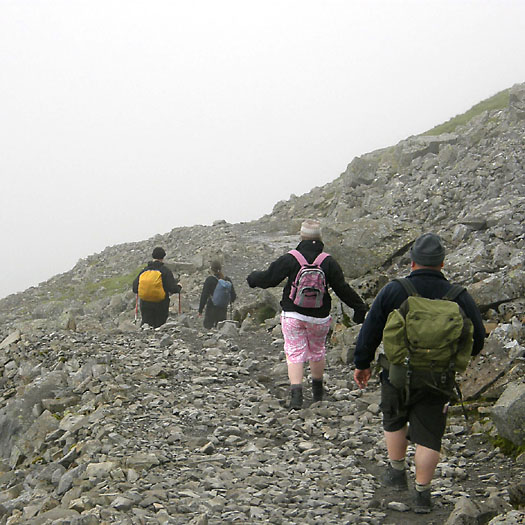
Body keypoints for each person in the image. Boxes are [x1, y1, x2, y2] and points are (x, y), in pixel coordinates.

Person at [353, 232, 485, 513]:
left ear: (412, 261)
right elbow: (478, 339)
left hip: (396, 372)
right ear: (442, 263)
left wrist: (362, 363)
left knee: (395, 419)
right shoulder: (458, 296)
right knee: (429, 434)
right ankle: (423, 495)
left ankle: (397, 472)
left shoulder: (395, 290)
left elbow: (371, 330)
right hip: (439, 377)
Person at [247, 219, 368, 410]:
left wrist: (253, 279)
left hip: (293, 314)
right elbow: (342, 289)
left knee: (295, 352)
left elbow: (269, 278)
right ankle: (318, 393)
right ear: (319, 237)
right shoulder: (328, 261)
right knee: (317, 351)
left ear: (302, 236)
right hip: (319, 317)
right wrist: (360, 308)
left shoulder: (290, 258)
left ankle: (296, 396)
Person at [132, 247, 182, 328]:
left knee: (146, 327)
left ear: (153, 256)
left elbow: (135, 288)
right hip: (161, 304)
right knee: (159, 328)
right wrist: (179, 287)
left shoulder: (144, 271)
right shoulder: (165, 271)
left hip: (145, 304)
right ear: (163, 257)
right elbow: (172, 288)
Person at [198, 260, 237, 329]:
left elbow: (204, 295)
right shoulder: (227, 280)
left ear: (211, 269)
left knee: (208, 329)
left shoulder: (210, 280)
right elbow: (233, 296)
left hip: (211, 308)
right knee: (221, 329)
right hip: (223, 309)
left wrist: (200, 310)